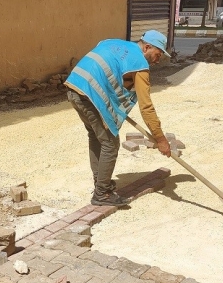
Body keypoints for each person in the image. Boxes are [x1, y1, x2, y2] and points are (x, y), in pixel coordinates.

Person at [65, 30, 171, 207]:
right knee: (110, 143)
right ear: (147, 47)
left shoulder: (117, 43)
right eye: (157, 54)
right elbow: (147, 107)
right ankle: (102, 194)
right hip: (89, 94)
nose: (157, 60)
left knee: (96, 137)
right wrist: (160, 138)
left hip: (74, 86)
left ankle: (101, 183)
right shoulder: (139, 64)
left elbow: (106, 61)